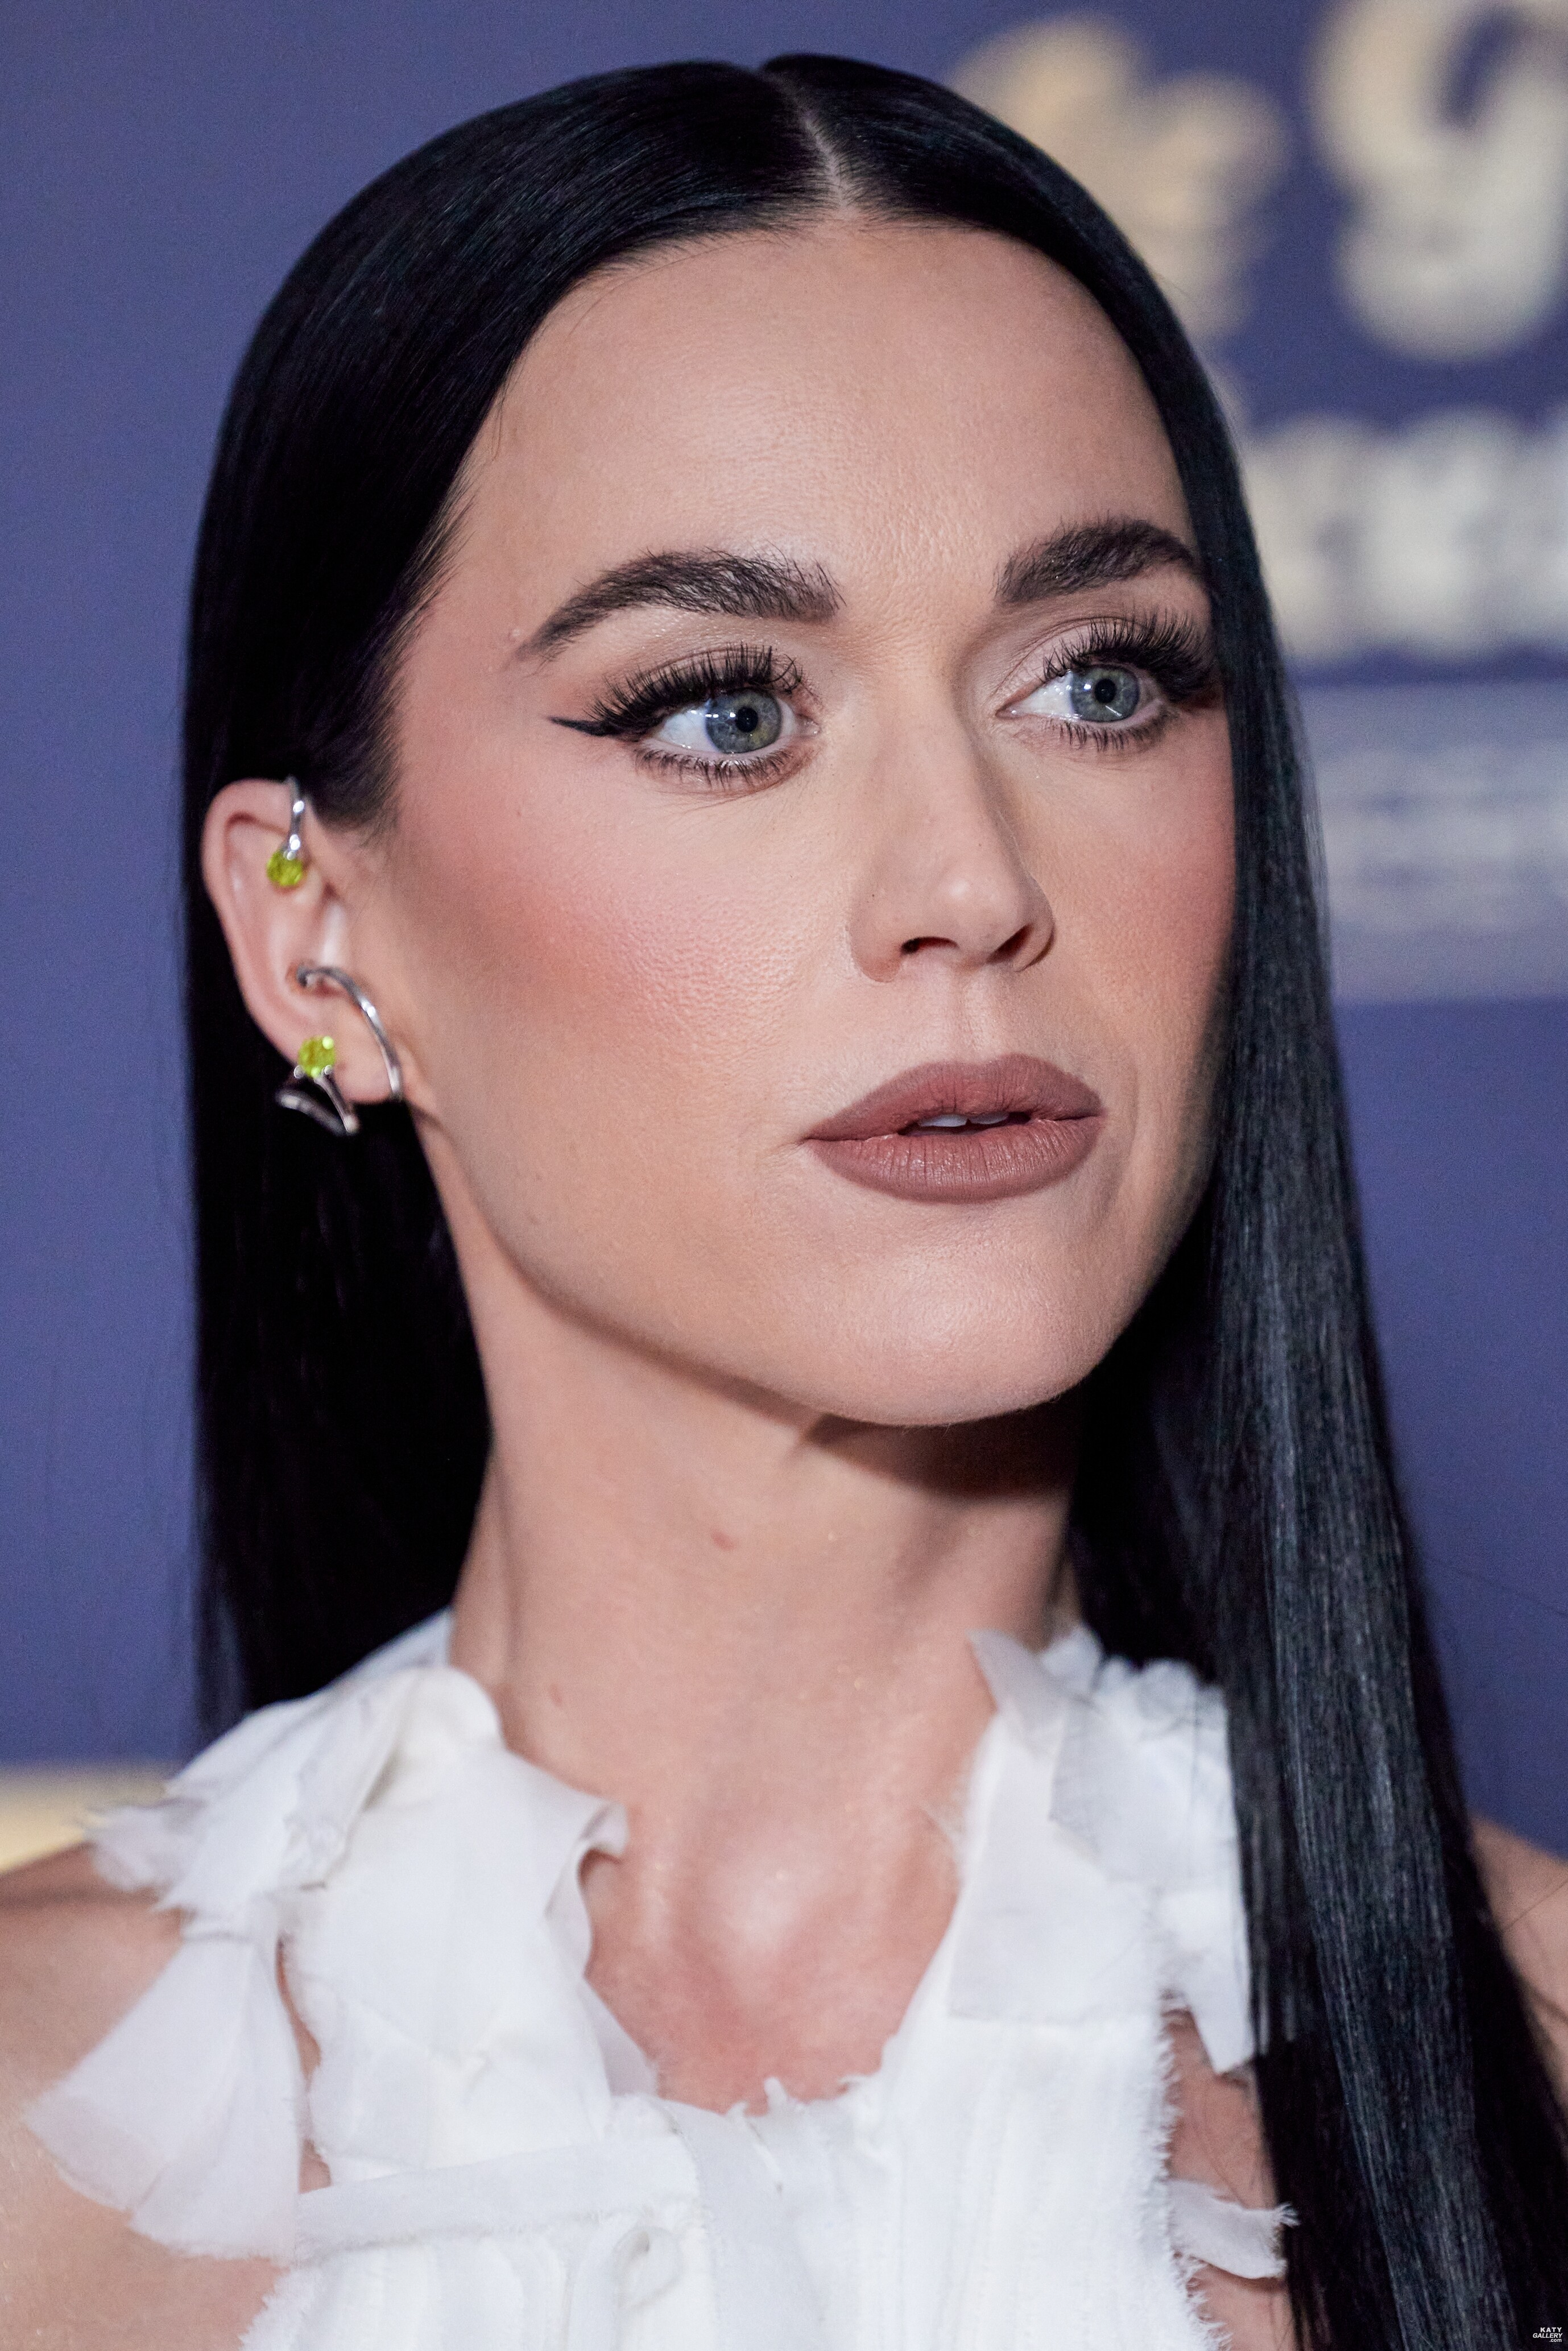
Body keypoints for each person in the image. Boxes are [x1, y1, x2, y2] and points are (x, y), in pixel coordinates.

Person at [1, 52, 1565, 2351]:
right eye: (726, 709)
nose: (972, 882)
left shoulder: (1541, 2071)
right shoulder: (38, 2143)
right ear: (318, 935)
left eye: (1100, 681)